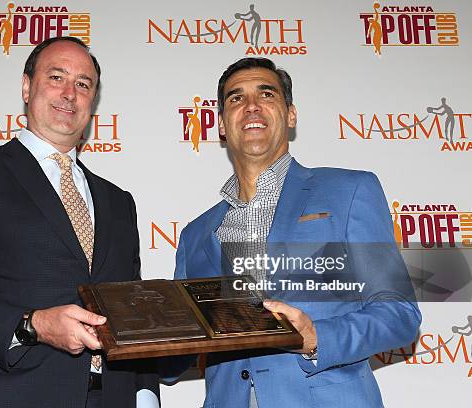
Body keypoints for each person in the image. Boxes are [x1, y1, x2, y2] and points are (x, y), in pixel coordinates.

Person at [0, 36, 159, 408]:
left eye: (84, 84)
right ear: (27, 86)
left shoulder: (119, 203)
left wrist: (145, 393)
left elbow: (130, 311)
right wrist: (32, 324)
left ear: (93, 102)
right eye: (57, 77)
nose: (70, 93)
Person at [170, 57, 421, 407]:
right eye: (236, 98)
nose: (251, 106)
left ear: (290, 115)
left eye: (267, 94)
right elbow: (175, 354)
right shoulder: (196, 235)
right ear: (222, 125)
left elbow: (398, 314)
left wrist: (317, 337)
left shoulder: (349, 192)